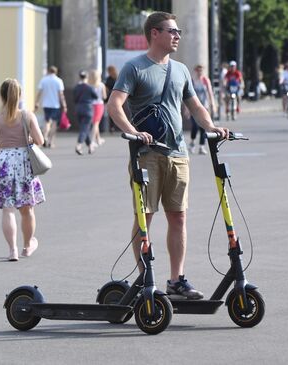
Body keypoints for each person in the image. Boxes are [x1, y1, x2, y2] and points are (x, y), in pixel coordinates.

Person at [107, 11, 229, 300]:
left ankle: (177, 281)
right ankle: (143, 280)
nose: (177, 36)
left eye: (178, 32)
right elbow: (115, 105)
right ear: (154, 33)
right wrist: (132, 131)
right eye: (172, 31)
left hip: (178, 153)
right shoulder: (135, 68)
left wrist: (211, 126)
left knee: (179, 218)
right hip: (147, 154)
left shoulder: (181, 70)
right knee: (144, 217)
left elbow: (196, 106)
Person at [0, 78, 45, 261]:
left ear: (1, 96)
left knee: (8, 209)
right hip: (24, 161)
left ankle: (12, 251)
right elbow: (40, 141)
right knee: (27, 209)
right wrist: (27, 140)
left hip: (4, 163)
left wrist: (4, 142)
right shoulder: (27, 116)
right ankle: (27, 245)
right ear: (20, 96)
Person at [34, 66, 67, 148]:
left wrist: (37, 102)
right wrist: (64, 105)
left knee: (47, 122)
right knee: (54, 123)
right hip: (55, 105)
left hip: (46, 105)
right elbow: (61, 94)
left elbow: (39, 92)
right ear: (55, 72)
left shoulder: (43, 80)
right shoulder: (59, 81)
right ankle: (51, 142)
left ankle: (44, 137)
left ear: (48, 71)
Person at [189, 64, 216, 154]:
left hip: (204, 107)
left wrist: (213, 104)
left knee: (203, 127)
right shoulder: (192, 81)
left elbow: (210, 93)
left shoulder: (205, 80)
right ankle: (192, 143)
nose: (199, 72)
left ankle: (201, 146)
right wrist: (186, 108)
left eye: (201, 70)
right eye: (198, 70)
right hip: (194, 107)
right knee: (195, 127)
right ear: (196, 71)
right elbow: (187, 95)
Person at [73, 70, 98, 155]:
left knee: (84, 128)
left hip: (78, 108)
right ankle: (78, 145)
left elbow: (74, 99)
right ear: (86, 77)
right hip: (87, 109)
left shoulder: (76, 87)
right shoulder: (89, 87)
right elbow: (96, 96)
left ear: (79, 77)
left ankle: (90, 145)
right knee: (84, 128)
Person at [88, 69, 107, 146]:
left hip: (90, 105)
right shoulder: (101, 85)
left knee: (95, 122)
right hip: (99, 105)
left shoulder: (88, 85)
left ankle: (98, 139)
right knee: (96, 123)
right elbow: (104, 96)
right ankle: (92, 141)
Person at [104, 65, 119, 133]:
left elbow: (106, 89)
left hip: (111, 97)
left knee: (112, 113)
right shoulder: (118, 77)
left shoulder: (109, 78)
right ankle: (114, 127)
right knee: (116, 112)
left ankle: (112, 127)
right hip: (117, 97)